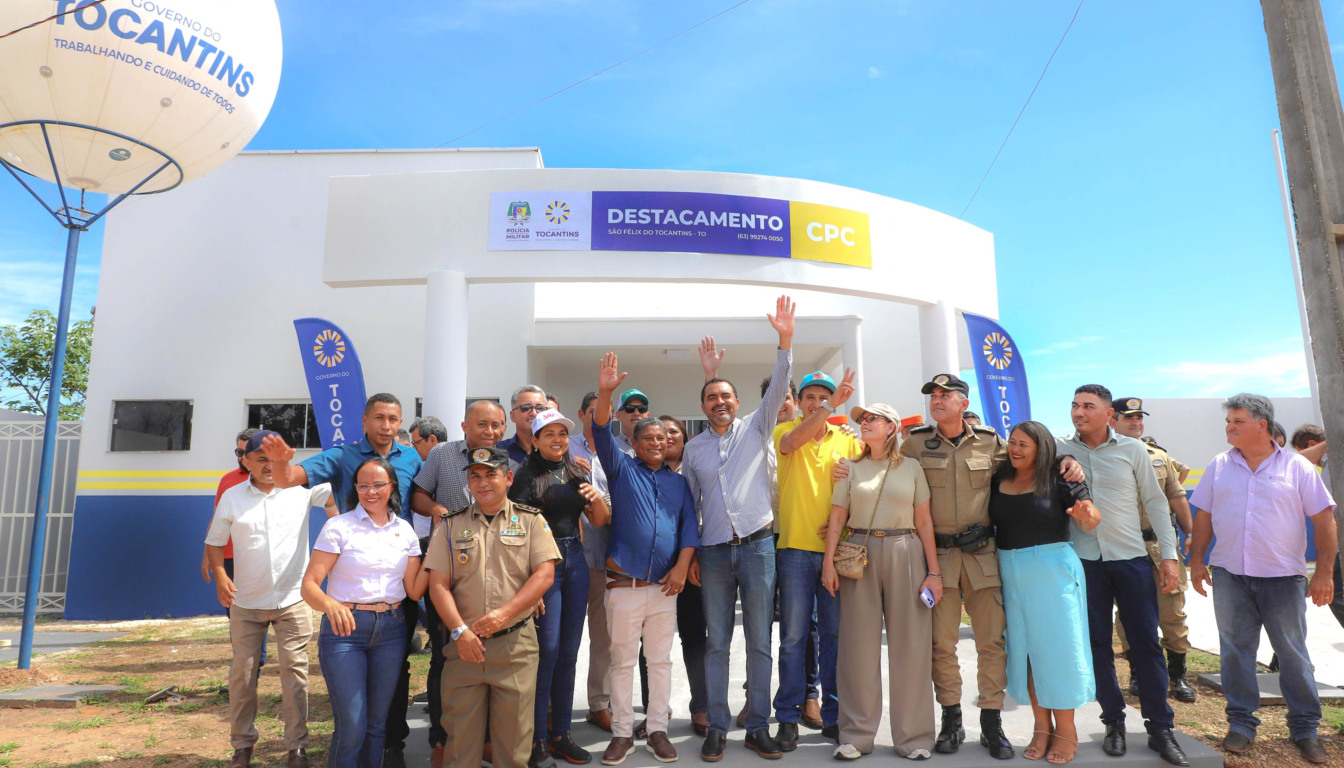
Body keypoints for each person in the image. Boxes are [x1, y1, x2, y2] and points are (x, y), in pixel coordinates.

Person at [264, 393, 425, 768]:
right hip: (349, 606)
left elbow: (421, 499)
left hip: (395, 599)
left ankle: (392, 750)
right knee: (352, 724)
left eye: (393, 419)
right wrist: (280, 462)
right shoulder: (340, 458)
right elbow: (289, 478)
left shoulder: (411, 459)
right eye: (379, 418)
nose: (386, 425)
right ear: (365, 421)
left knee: (383, 711)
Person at [1190, 394, 1337, 765]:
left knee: (1293, 654)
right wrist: (1197, 561)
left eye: (1237, 421)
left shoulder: (1297, 467)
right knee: (1236, 652)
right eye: (1228, 421)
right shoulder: (1219, 465)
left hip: (1283, 579)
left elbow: (1324, 520)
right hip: (1230, 576)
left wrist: (1323, 572)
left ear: (1262, 425)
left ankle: (1305, 728)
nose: (1229, 427)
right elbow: (1204, 516)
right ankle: (1241, 723)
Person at [682, 295, 794, 761]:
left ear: (738, 402)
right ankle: (717, 727)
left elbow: (781, 382)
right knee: (717, 644)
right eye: (712, 397)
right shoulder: (693, 449)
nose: (720, 402)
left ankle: (758, 726)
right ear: (703, 406)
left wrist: (784, 339)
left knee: (760, 643)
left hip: (757, 549)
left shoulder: (756, 428)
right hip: (713, 554)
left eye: (726, 396)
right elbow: (690, 506)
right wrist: (690, 556)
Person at [1055, 385, 1187, 766]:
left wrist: (1169, 556)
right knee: (1096, 645)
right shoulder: (1059, 449)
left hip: (1131, 560)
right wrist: (1059, 458)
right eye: (1075, 405)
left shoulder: (1133, 450)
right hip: (1084, 564)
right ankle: (1113, 721)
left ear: (1108, 415)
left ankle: (1160, 728)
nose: (1079, 412)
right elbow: (1025, 449)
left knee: (1146, 645)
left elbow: (1155, 502)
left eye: (1088, 406)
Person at [898, 374, 1016, 758]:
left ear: (963, 403)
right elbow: (888, 475)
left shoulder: (990, 442)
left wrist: (1067, 461)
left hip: (982, 556)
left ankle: (991, 721)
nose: (937, 400)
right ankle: (952, 719)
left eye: (945, 395)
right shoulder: (915, 443)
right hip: (937, 558)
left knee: (991, 642)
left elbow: (1026, 465)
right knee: (941, 644)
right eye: (933, 395)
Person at [423, 445, 561, 768]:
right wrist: (460, 632)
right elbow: (438, 584)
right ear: (468, 483)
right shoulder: (450, 525)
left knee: (513, 750)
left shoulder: (531, 521)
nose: (482, 482)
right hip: (464, 648)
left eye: (490, 475)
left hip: (515, 648)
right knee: (460, 750)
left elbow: (544, 575)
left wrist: (505, 614)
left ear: (508, 478)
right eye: (475, 476)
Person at [591, 353, 700, 764]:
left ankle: (657, 730)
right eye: (648, 439)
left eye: (662, 439)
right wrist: (606, 393)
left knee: (659, 662)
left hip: (664, 589)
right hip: (624, 587)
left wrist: (680, 567)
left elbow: (689, 531)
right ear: (635, 444)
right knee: (622, 663)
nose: (656, 443)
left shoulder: (679, 484)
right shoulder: (621, 470)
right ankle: (622, 733)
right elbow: (600, 429)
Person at [205, 431, 336, 768]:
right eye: (260, 459)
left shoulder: (300, 490)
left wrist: (337, 522)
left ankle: (297, 748)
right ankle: (242, 747)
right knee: (242, 675)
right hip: (246, 603)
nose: (268, 466)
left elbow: (337, 490)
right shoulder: (232, 497)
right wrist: (220, 576)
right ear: (245, 461)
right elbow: (214, 542)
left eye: (273, 459)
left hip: (293, 600)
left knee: (295, 674)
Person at [821, 403, 940, 760]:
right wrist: (828, 563)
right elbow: (837, 518)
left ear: (892, 427)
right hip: (859, 552)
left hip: (907, 549)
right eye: (862, 419)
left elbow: (925, 521)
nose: (864, 423)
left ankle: (914, 738)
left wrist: (934, 572)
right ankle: (856, 736)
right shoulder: (850, 468)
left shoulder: (912, 468)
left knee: (912, 647)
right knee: (857, 648)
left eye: (872, 418)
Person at [298, 458, 428, 768]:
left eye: (378, 485)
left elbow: (413, 591)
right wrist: (330, 604)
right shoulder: (339, 526)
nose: (371, 491)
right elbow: (309, 585)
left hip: (392, 630)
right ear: (355, 489)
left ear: (392, 486)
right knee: (352, 726)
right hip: (346, 630)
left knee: (376, 725)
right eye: (363, 485)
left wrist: (437, 552)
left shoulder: (405, 530)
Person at [989, 422, 1100, 765]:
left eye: (1024, 444)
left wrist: (1085, 516)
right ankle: (1041, 727)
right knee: (1026, 652)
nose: (1015, 449)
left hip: (1052, 571)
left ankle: (1066, 729)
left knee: (1058, 652)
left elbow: (1090, 517)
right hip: (1010, 571)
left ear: (1042, 448)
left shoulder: (1061, 476)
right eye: (1012, 442)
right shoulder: (999, 477)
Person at [410, 399, 511, 767]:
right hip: (448, 569)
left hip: (495, 573)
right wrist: (436, 509)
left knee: (489, 655)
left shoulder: (508, 461)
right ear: (465, 426)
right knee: (445, 655)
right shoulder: (441, 454)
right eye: (482, 424)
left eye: (496, 425)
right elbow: (418, 495)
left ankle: (485, 739)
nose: (490, 431)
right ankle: (442, 740)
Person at [509, 409, 611, 767]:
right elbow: (516, 532)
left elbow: (599, 520)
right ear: (535, 440)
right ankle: (537, 738)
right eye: (549, 434)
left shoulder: (576, 472)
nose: (557, 440)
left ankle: (561, 734)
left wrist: (595, 497)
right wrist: (530, 582)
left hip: (576, 560)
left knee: (569, 653)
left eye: (562, 434)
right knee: (547, 652)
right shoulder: (524, 476)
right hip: (542, 565)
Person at [771, 369, 860, 749]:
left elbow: (865, 490)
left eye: (824, 397)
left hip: (837, 553)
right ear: (799, 401)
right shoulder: (785, 431)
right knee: (793, 637)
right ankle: (788, 717)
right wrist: (830, 408)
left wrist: (845, 520)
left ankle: (834, 716)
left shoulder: (849, 441)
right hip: (794, 549)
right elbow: (792, 442)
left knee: (833, 637)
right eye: (811, 397)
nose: (817, 403)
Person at [1110, 398, 1197, 703]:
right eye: (1128, 418)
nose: (1136, 422)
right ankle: (1138, 672)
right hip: (1122, 546)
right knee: (1129, 613)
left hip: (1160, 547)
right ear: (1112, 420)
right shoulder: (1104, 455)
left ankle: (1178, 675)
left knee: (1172, 612)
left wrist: (1191, 533)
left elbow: (1177, 496)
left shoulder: (1159, 456)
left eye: (1139, 418)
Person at [660, 414, 711, 737]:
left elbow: (702, 516)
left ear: (685, 438)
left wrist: (693, 557)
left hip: (692, 565)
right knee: (653, 643)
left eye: (673, 432)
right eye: (660, 432)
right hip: (655, 569)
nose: (667, 437)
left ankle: (701, 706)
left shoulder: (695, 470)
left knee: (694, 637)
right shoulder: (643, 471)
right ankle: (655, 709)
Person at [202, 428, 264, 693]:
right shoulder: (227, 480)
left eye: (247, 452)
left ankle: (251, 672)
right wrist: (207, 555)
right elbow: (217, 519)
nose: (242, 457)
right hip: (228, 560)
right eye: (239, 452)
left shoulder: (277, 479)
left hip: (257, 558)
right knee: (238, 619)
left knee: (261, 615)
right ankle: (246, 675)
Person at [569, 393, 617, 734]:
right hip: (568, 557)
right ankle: (553, 706)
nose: (600, 416)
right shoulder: (564, 447)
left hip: (605, 557)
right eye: (593, 411)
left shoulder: (621, 451)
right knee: (562, 637)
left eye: (605, 412)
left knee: (604, 638)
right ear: (581, 414)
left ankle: (599, 703)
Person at [1290, 425, 1342, 629]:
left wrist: (1329, 442)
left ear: (1312, 444)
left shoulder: (1332, 465)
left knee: (1336, 594)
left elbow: (1295, 461)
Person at [501, 385, 551, 464]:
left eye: (540, 408)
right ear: (513, 416)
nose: (534, 413)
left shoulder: (557, 449)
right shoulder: (499, 450)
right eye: (526, 408)